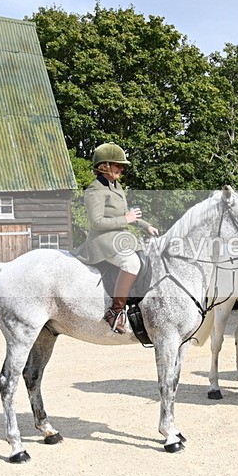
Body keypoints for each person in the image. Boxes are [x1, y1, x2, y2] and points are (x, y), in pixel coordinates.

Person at [74, 142, 159, 333]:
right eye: (117, 165)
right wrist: (125, 219)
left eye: (122, 165)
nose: (121, 168)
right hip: (102, 240)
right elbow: (96, 223)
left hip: (118, 235)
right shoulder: (95, 190)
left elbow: (126, 214)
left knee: (147, 257)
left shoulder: (116, 185)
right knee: (132, 264)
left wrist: (146, 226)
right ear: (104, 166)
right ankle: (115, 311)